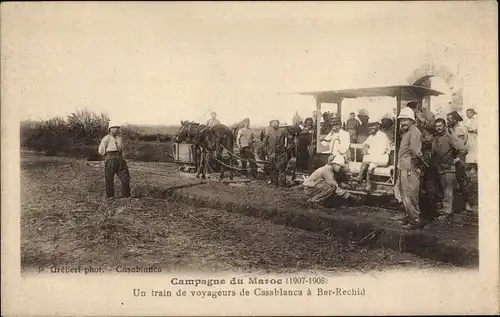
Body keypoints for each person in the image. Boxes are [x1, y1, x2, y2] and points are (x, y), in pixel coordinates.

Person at [392, 107, 427, 230]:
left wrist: (416, 167)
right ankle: (409, 217)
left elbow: (416, 151)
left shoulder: (415, 132)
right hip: (403, 166)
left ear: (412, 120)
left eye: (405, 120)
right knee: (403, 193)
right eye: (401, 120)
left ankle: (415, 221)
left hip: (409, 168)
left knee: (410, 194)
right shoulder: (408, 132)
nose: (403, 123)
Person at [431, 118, 468, 221]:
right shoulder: (435, 138)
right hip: (437, 167)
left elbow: (463, 149)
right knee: (440, 190)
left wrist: (457, 159)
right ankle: (443, 209)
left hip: (448, 168)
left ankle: (447, 212)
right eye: (436, 126)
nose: (438, 128)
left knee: (448, 191)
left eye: (440, 126)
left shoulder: (449, 137)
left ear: (444, 126)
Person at [447, 111, 473, 212]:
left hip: (459, 158)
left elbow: (461, 146)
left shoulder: (460, 130)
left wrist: (458, 158)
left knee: (462, 181)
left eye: (449, 118)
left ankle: (467, 203)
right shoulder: (450, 129)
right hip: (450, 157)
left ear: (455, 119)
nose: (448, 120)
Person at [354, 121, 390, 192]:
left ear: (377, 126)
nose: (371, 128)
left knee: (368, 160)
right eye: (369, 126)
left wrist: (370, 153)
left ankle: (363, 180)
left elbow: (382, 150)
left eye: (373, 126)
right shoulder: (371, 136)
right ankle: (363, 180)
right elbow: (364, 143)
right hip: (374, 158)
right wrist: (366, 146)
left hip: (382, 157)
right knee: (369, 162)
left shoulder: (383, 135)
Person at [98, 121, 131, 200]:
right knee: (109, 178)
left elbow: (122, 150)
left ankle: (126, 195)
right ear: (110, 129)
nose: (116, 129)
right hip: (110, 159)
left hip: (119, 158)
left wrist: (123, 158)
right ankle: (110, 196)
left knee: (125, 177)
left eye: (117, 128)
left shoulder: (119, 139)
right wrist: (107, 157)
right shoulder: (106, 139)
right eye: (114, 128)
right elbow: (101, 151)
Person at [264, 119, 288, 187]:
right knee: (273, 168)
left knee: (281, 168)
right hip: (271, 153)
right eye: (273, 122)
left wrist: (284, 148)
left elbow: (287, 140)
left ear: (278, 123)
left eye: (276, 122)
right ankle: (275, 183)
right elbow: (265, 143)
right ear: (270, 124)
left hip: (281, 153)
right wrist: (267, 152)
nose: (275, 124)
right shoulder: (268, 132)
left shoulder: (283, 131)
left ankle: (282, 184)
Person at [464, 108, 478, 174]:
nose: (467, 114)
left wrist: (473, 130)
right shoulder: (468, 120)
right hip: (469, 137)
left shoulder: (476, 120)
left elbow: (477, 128)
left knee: (474, 151)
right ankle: (471, 167)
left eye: (468, 113)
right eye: (466, 113)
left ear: (472, 113)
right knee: (470, 151)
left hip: (474, 137)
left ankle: (474, 167)